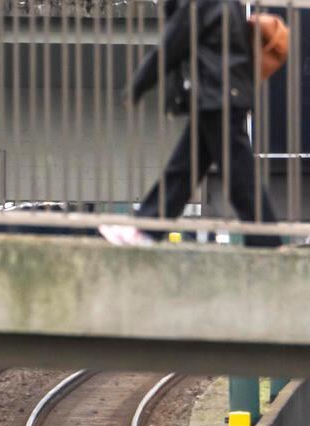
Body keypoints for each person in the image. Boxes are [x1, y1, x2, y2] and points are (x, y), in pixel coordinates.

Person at [112, 1, 287, 247]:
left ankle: (267, 241)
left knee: (237, 176)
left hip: (219, 96)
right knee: (184, 171)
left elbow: (172, 45)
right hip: (223, 94)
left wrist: (136, 86)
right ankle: (147, 230)